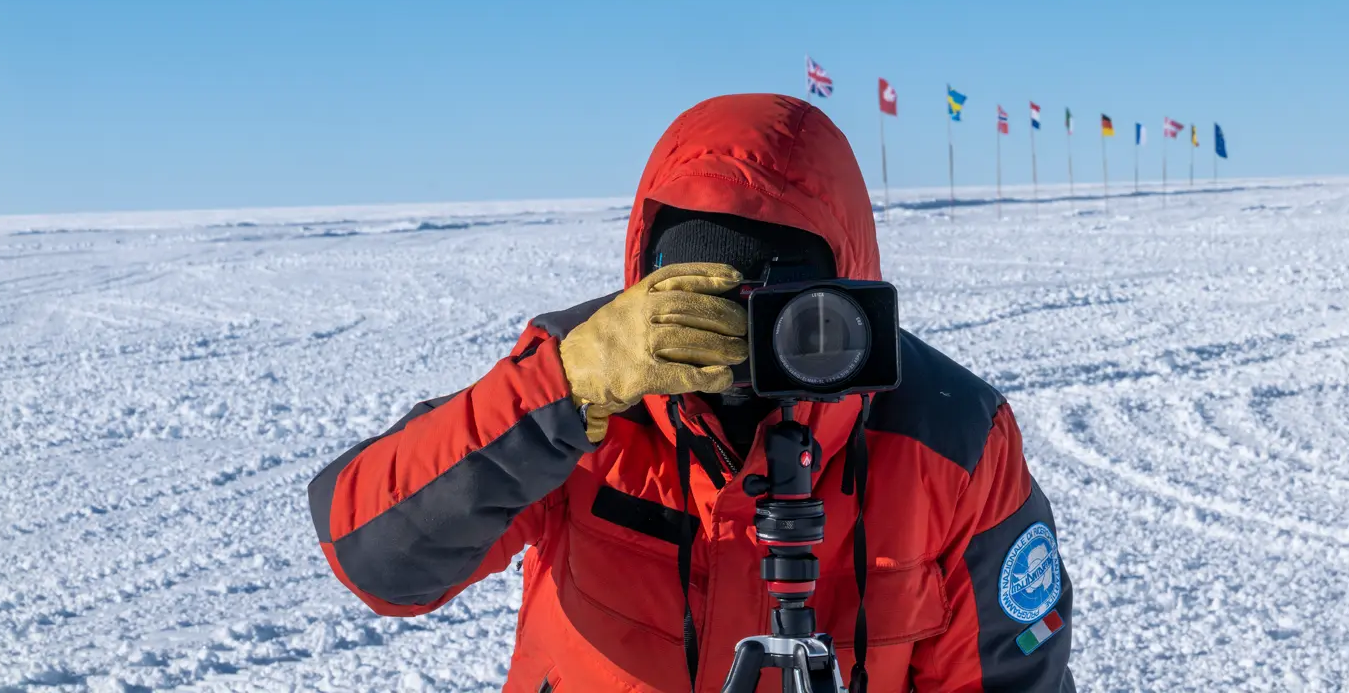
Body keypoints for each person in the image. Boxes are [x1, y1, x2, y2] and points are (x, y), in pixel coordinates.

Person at [307, 93, 1076, 692]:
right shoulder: (586, 385)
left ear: (849, 289)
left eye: (780, 317)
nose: (735, 354)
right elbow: (376, 558)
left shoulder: (950, 439)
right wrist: (563, 389)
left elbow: (1008, 678)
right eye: (698, 311)